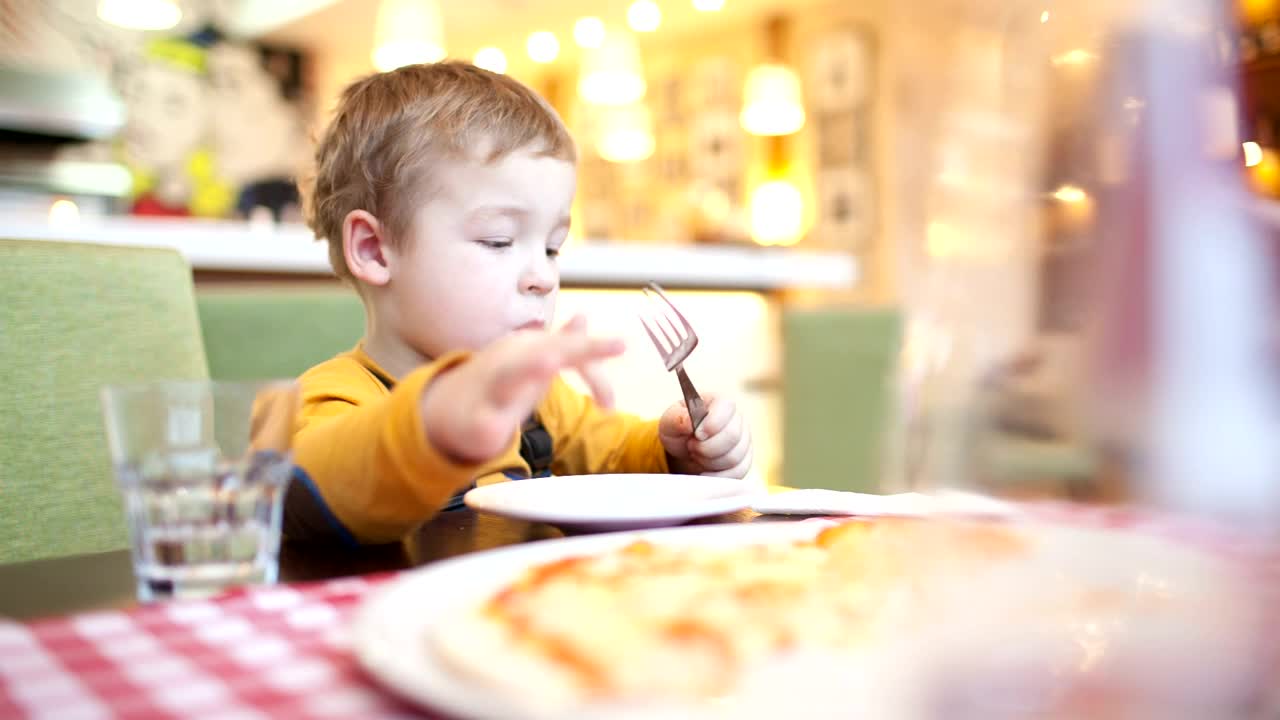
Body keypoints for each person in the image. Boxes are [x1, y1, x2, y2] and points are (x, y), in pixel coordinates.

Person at [285, 61, 753, 545]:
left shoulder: (539, 398)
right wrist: (437, 421)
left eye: (552, 247)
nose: (543, 276)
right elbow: (316, 491)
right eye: (499, 240)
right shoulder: (337, 397)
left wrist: (675, 448)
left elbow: (614, 453)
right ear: (374, 249)